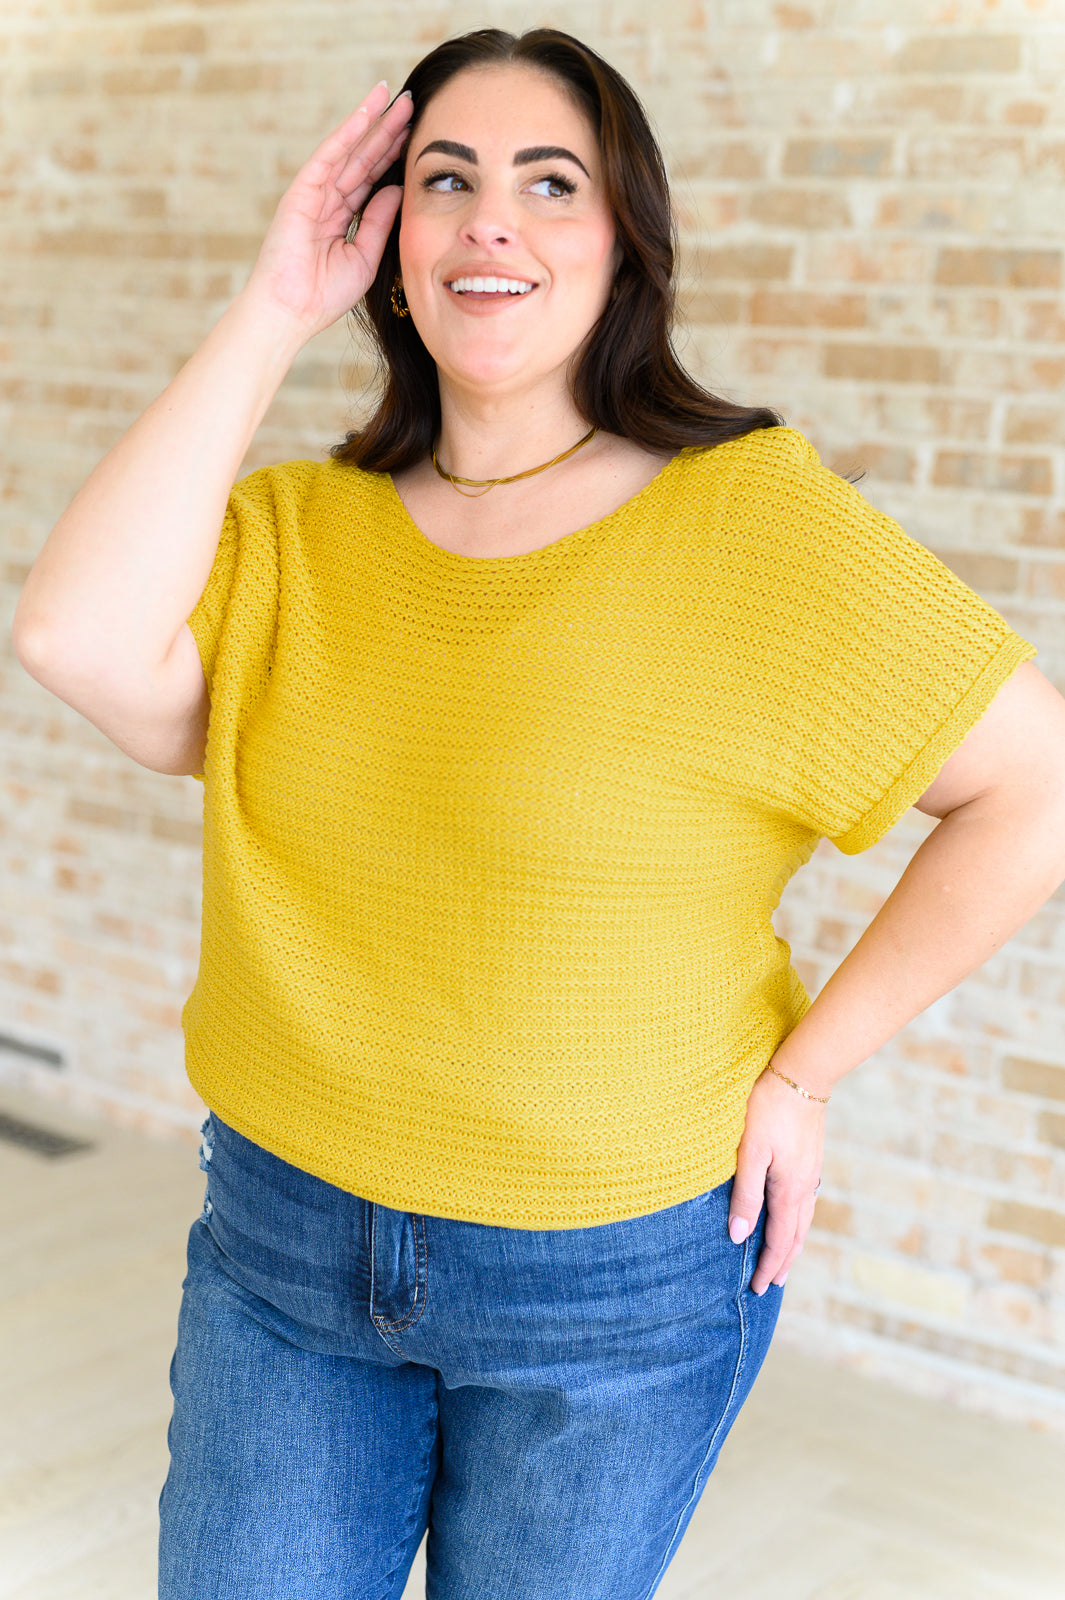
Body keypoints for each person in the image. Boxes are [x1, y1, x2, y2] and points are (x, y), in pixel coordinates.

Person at [12, 24, 1065, 1600]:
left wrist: (806, 1071)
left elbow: (1033, 786)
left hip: (613, 1281)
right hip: (282, 1244)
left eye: (549, 183)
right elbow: (71, 637)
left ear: (623, 239)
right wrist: (274, 302)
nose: (489, 220)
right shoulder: (294, 535)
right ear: (390, 243)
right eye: (446, 181)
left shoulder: (751, 522)